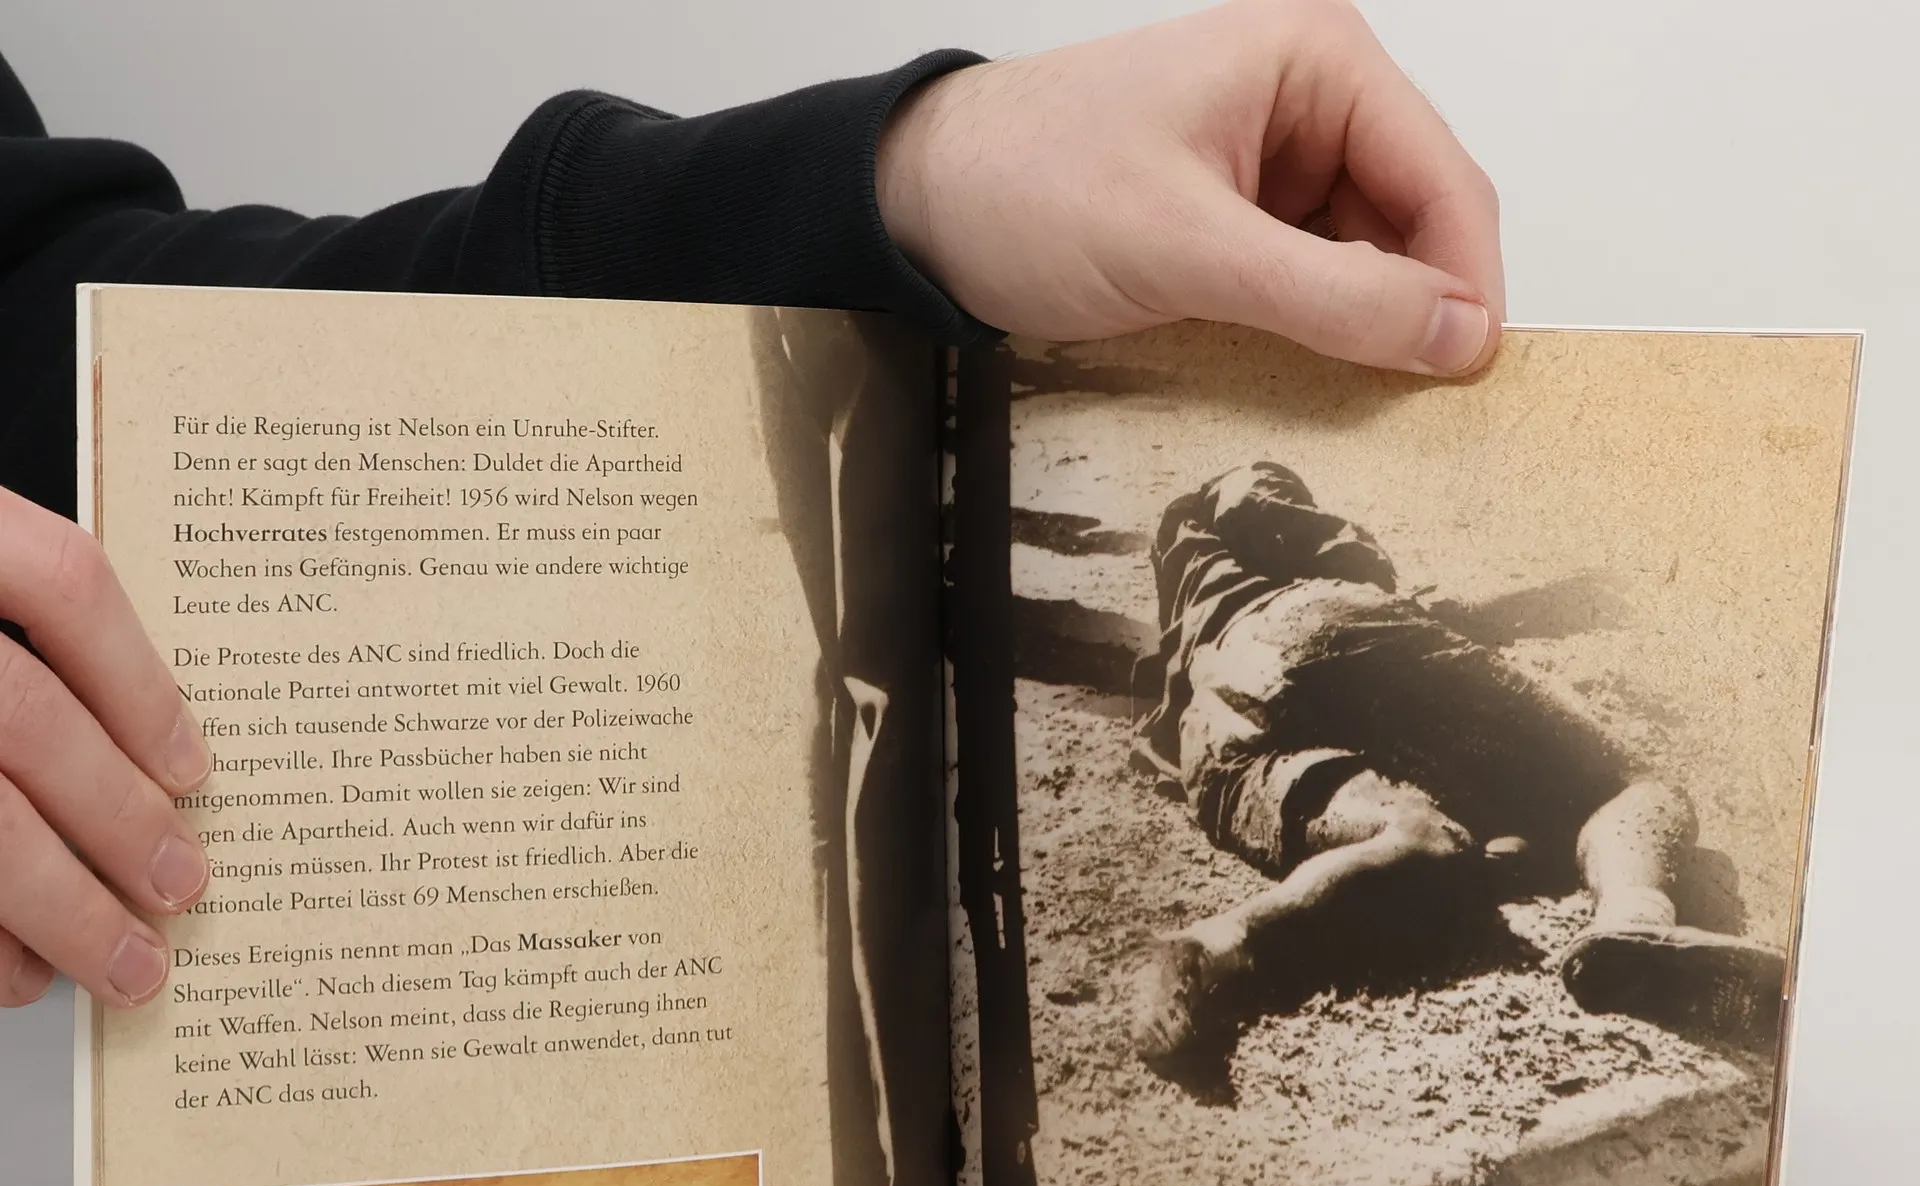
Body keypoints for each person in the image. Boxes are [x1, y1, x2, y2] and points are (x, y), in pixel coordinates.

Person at [0, 0, 1503, 1016]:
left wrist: (891, 192)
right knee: (1472, 809)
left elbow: (43, 316)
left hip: (1223, 717)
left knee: (1402, 819)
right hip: (1257, 695)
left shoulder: (1200, 587)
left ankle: (1245, 944)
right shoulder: (1270, 554)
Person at [1125, 460, 1787, 1079]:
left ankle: (1210, 948)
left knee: (1422, 837)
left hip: (1215, 724)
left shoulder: (1179, 625)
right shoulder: (1232, 489)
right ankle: (1634, 918)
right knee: (1625, 783)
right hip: (1318, 625)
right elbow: (1324, 552)